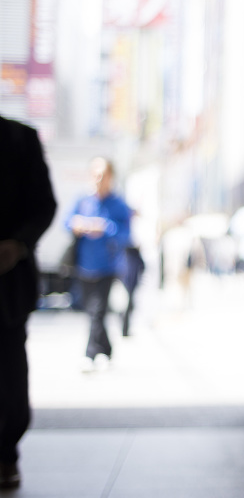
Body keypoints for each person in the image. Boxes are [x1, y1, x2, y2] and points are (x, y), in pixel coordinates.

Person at [0, 116, 57, 490]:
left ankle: (5, 453)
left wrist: (17, 244)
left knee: (7, 371)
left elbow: (44, 205)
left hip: (6, 280)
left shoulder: (19, 139)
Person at [65, 158, 131, 372]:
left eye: (102, 175)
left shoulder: (118, 204)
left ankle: (90, 354)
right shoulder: (83, 200)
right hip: (84, 265)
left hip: (107, 267)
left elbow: (126, 233)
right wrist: (78, 225)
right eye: (95, 174)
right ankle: (107, 349)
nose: (98, 179)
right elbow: (66, 221)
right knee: (91, 310)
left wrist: (105, 227)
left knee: (97, 310)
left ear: (111, 178)